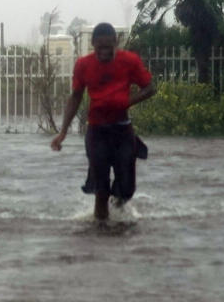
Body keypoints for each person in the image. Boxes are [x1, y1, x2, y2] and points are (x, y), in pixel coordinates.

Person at [50, 23, 155, 220]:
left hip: (123, 132)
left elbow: (149, 88)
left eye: (109, 47)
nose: (104, 52)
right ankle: (100, 231)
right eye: (100, 47)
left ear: (116, 43)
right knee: (101, 189)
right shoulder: (83, 65)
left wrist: (127, 102)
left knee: (127, 189)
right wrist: (62, 132)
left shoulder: (129, 61)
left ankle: (118, 212)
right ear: (93, 45)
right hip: (97, 132)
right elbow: (75, 97)